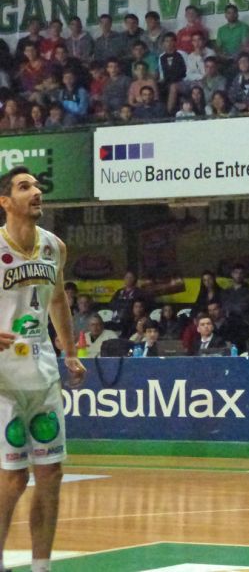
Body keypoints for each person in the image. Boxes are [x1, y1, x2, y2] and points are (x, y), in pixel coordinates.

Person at [0, 165, 85, 572]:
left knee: (51, 474)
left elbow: (57, 301)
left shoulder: (55, 247)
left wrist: (70, 352)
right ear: (5, 202)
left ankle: (41, 567)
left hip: (44, 374)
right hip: (3, 382)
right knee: (14, 479)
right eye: (24, 187)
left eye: (36, 185)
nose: (36, 191)